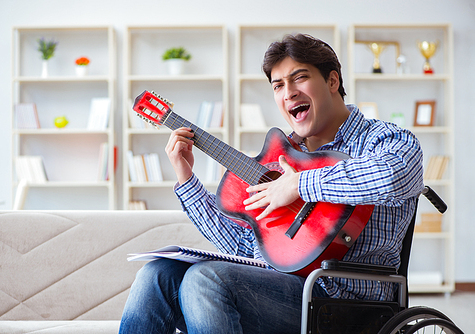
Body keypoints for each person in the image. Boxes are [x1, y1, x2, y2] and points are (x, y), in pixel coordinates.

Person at [119, 34, 424, 334]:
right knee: (156, 275)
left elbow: (396, 175)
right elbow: (244, 246)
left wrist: (299, 185)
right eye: (278, 85)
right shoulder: (279, 159)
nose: (288, 92)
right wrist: (186, 179)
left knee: (206, 280)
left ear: (332, 81)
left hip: (348, 303)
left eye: (299, 78)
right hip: (276, 289)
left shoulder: (383, 139)